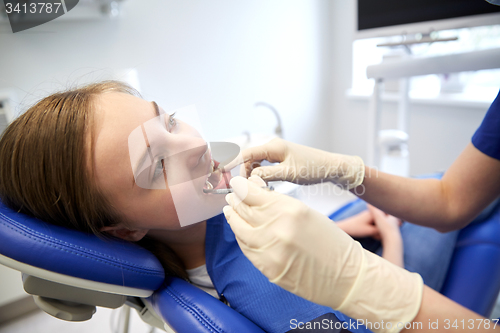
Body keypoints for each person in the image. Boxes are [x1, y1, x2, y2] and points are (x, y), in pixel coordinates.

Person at [0, 80, 386, 333]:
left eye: (169, 122)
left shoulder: (213, 224)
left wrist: (337, 233)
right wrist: (390, 234)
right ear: (124, 232)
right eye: (158, 166)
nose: (198, 145)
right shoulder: (263, 286)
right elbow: (395, 315)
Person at [222, 88, 500, 333]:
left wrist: (338, 222)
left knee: (451, 184)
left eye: (175, 122)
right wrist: (390, 237)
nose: (201, 148)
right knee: (480, 199)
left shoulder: (222, 244)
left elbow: (452, 196)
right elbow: (450, 198)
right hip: (391, 264)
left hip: (362, 240)